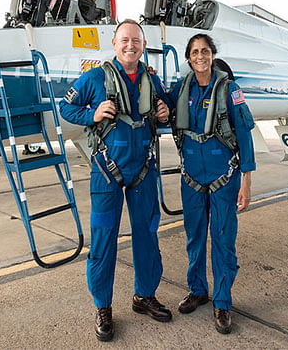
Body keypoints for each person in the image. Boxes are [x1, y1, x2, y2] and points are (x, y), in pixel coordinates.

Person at [59, 19, 173, 342]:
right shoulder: (96, 77)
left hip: (143, 171)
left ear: (143, 44)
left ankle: (144, 295)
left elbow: (164, 111)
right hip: (106, 171)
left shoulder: (151, 79)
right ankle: (103, 307)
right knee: (105, 238)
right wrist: (91, 115)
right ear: (114, 43)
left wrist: (164, 113)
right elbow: (65, 107)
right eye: (125, 40)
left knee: (147, 235)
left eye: (136, 41)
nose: (130, 46)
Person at [168, 33, 256, 334]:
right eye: (194, 52)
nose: (200, 56)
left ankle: (222, 301)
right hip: (191, 177)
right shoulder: (181, 89)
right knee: (194, 238)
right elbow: (160, 105)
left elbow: (244, 134)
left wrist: (246, 180)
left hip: (225, 178)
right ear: (189, 58)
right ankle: (197, 290)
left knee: (223, 241)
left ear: (212, 54)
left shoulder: (230, 90)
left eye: (204, 51)